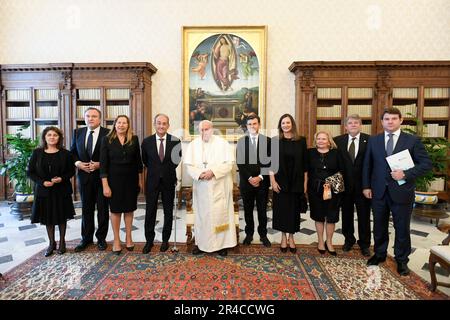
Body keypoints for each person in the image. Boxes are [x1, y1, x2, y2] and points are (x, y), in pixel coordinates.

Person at [363, 107, 432, 276]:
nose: (390, 122)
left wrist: (406, 174)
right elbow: (367, 165)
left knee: (402, 228)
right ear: (382, 121)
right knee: (379, 226)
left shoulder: (412, 140)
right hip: (378, 191)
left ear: (401, 120)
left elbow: (426, 164)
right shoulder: (374, 140)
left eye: (394, 118)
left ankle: (402, 260)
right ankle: (379, 254)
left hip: (402, 191)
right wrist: (366, 186)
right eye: (387, 119)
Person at [184, 120, 237, 256]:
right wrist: (200, 174)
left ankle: (222, 245)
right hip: (202, 187)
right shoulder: (193, 145)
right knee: (203, 217)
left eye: (207, 129)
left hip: (219, 187)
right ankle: (201, 244)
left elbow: (229, 164)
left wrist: (212, 172)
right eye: (201, 130)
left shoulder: (222, 144)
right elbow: (189, 166)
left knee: (220, 215)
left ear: (212, 129)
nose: (204, 132)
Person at [27, 127, 76, 257]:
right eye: (49, 135)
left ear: (59, 138)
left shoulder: (66, 153)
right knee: (48, 218)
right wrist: (42, 182)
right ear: (44, 137)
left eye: (55, 135)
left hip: (61, 190)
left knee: (61, 217)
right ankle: (51, 243)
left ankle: (62, 243)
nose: (52, 137)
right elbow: (30, 172)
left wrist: (61, 178)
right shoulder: (37, 153)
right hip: (44, 191)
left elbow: (71, 171)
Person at [100, 115, 143, 255]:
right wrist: (105, 185)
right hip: (114, 181)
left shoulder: (134, 139)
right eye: (119, 122)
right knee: (116, 210)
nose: (121, 125)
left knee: (129, 209)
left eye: (124, 123)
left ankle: (129, 237)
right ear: (115, 124)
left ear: (128, 125)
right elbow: (103, 165)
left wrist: (140, 181)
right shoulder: (107, 140)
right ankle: (117, 239)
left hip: (130, 180)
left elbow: (138, 163)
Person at [71, 107, 110, 252]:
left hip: (102, 179)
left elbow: (112, 155)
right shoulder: (78, 132)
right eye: (88, 116)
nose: (91, 119)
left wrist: (100, 164)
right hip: (84, 178)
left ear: (99, 119)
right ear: (84, 118)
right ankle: (86, 239)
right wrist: (78, 164)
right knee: (86, 210)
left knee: (102, 210)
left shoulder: (108, 133)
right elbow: (73, 153)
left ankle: (101, 239)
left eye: (94, 116)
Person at [141, 114, 182, 254]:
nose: (161, 126)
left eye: (164, 123)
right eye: (159, 123)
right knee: (150, 211)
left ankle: (165, 240)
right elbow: (145, 161)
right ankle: (149, 241)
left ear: (168, 125)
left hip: (169, 180)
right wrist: (156, 171)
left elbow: (177, 160)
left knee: (168, 211)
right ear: (155, 124)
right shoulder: (146, 142)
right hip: (152, 181)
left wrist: (166, 171)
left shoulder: (175, 141)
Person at [269, 114, 308, 253]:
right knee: (281, 211)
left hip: (296, 181)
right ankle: (283, 237)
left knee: (293, 212)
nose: (286, 125)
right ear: (280, 125)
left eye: (288, 122)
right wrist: (272, 181)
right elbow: (271, 164)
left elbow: (305, 165)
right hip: (280, 182)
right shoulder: (274, 141)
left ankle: (291, 237)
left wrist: (305, 183)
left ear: (292, 124)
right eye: (283, 123)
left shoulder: (301, 141)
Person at [334, 115, 371, 257]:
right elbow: (335, 164)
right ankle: (348, 240)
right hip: (345, 186)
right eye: (350, 123)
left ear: (361, 125)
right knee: (347, 215)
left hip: (364, 187)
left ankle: (365, 244)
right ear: (345, 126)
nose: (353, 125)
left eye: (356, 123)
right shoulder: (338, 141)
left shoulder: (370, 140)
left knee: (364, 216)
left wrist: (369, 186)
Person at [307, 131, 345, 256]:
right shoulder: (310, 153)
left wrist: (332, 183)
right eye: (318, 139)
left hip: (332, 190)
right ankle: (320, 241)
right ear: (315, 140)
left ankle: (329, 242)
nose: (321, 141)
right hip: (315, 190)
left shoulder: (336, 153)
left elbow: (342, 171)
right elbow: (306, 171)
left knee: (331, 217)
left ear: (329, 141)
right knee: (318, 216)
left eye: (324, 139)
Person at [236, 114, 271, 247]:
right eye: (250, 124)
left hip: (262, 182)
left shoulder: (267, 141)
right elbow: (240, 163)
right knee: (248, 210)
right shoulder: (241, 142)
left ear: (259, 125)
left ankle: (263, 235)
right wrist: (250, 178)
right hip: (247, 183)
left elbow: (270, 162)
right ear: (246, 126)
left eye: (254, 124)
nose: (252, 126)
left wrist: (260, 177)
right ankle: (249, 234)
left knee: (262, 211)